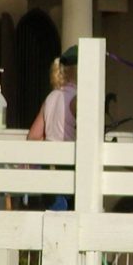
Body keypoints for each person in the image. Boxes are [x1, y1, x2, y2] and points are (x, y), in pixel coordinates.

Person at [27, 45, 78, 209]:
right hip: (68, 169)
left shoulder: (51, 97)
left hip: (49, 168)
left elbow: (33, 137)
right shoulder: (77, 100)